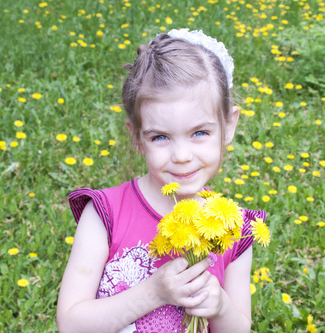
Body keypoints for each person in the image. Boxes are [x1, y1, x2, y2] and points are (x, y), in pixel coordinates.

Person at [57, 28, 267, 333]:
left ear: (229, 125)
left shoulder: (233, 228)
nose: (181, 155)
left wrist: (220, 308)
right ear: (137, 138)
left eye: (199, 133)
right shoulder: (106, 214)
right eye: (160, 137)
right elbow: (71, 325)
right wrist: (153, 293)